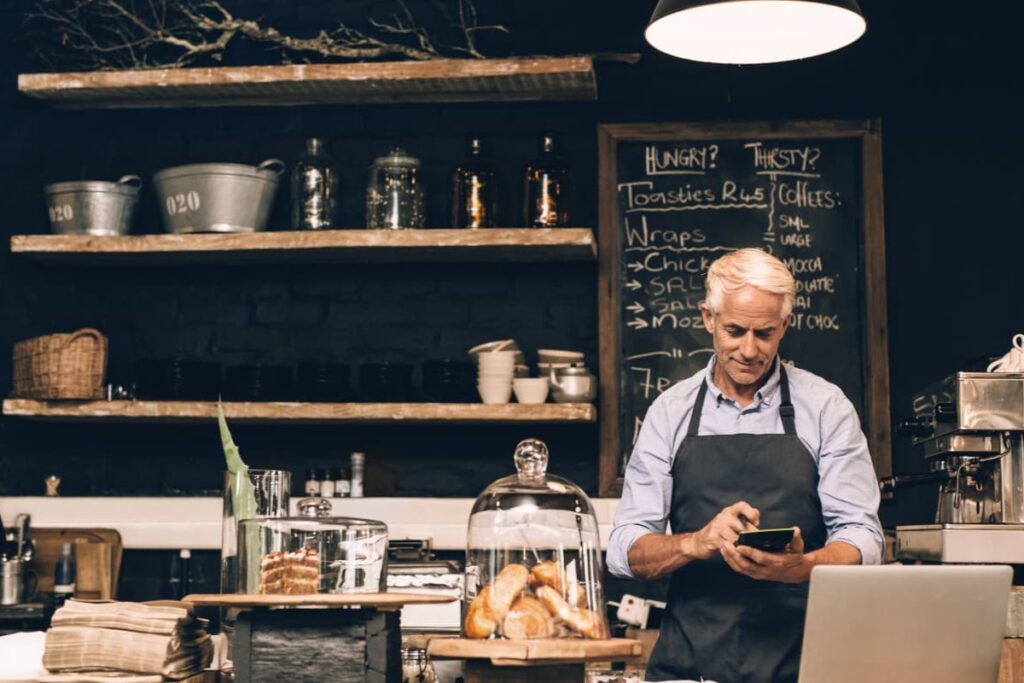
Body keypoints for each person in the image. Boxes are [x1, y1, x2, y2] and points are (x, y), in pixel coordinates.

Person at [607, 248, 883, 683]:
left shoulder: (826, 407)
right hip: (689, 667)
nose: (750, 350)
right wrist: (694, 543)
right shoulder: (670, 411)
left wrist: (802, 566)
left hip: (805, 664)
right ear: (708, 319)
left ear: (785, 326)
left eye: (765, 333)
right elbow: (625, 548)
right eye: (735, 330)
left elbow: (862, 536)